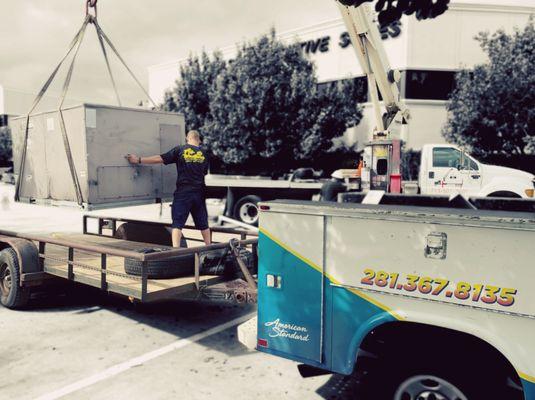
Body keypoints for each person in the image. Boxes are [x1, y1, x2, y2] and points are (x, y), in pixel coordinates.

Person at [126, 130, 211, 247]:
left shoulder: (180, 150)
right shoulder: (204, 153)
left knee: (177, 224)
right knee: (203, 224)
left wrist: (139, 159)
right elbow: (204, 172)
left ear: (187, 138)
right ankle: (209, 247)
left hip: (183, 192)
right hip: (199, 193)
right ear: (199, 140)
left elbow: (160, 158)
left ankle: (176, 250)